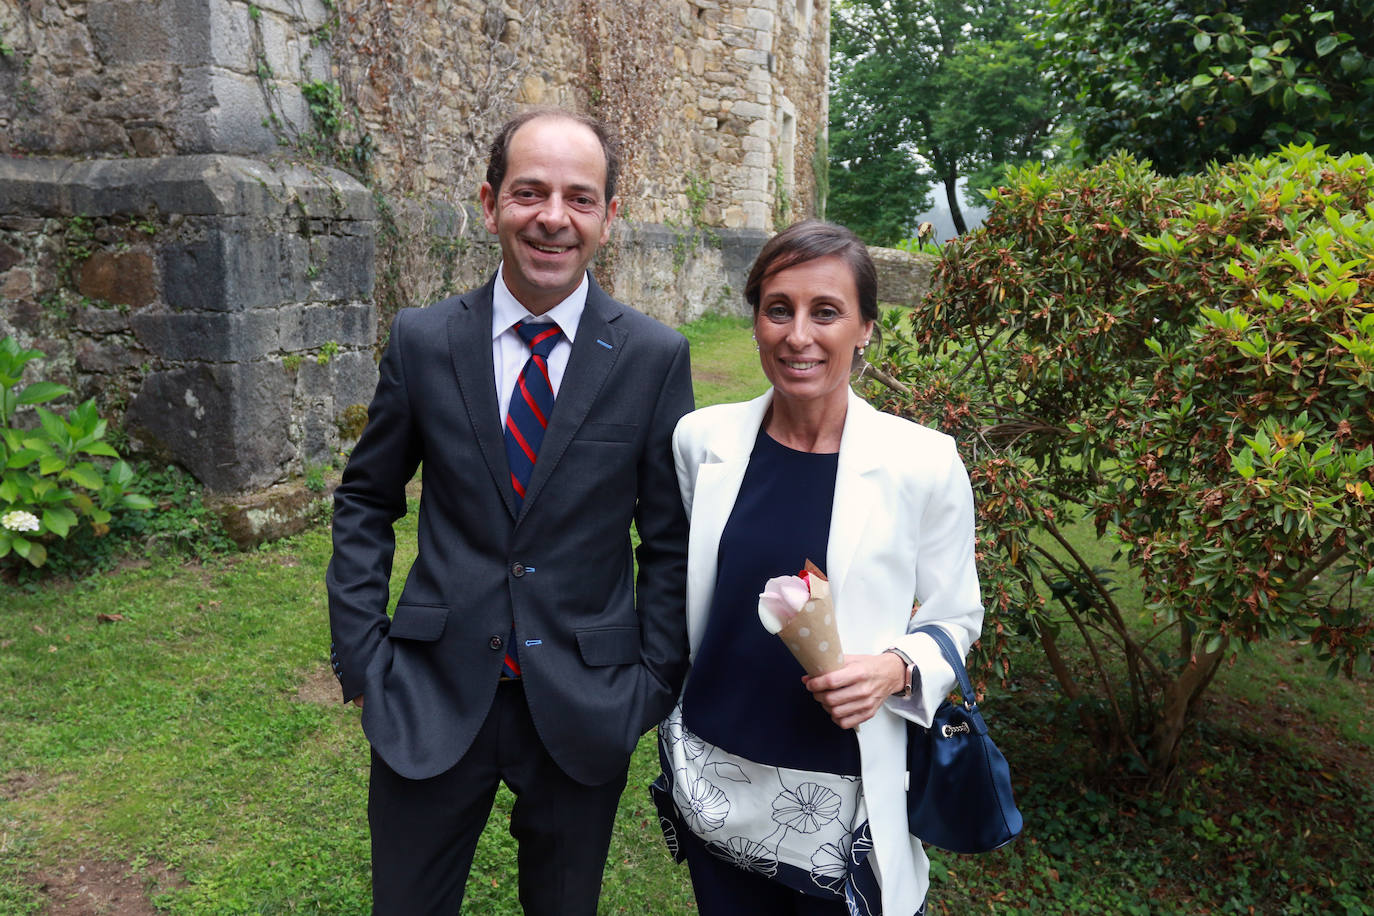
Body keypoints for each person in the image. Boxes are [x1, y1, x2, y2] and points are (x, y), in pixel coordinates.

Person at [327, 108, 694, 915]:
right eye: (529, 193)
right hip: (429, 689)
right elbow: (365, 500)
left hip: (583, 700)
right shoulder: (424, 341)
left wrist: (653, 680)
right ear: (490, 203)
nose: (553, 218)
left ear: (607, 216)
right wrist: (361, 657)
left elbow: (668, 539)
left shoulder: (653, 357)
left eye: (579, 197)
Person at [652, 219, 983, 916]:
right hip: (719, 779)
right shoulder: (702, 442)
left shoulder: (923, 463)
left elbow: (958, 613)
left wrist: (895, 668)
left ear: (865, 328)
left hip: (844, 794)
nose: (798, 335)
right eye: (779, 309)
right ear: (756, 321)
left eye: (825, 311)